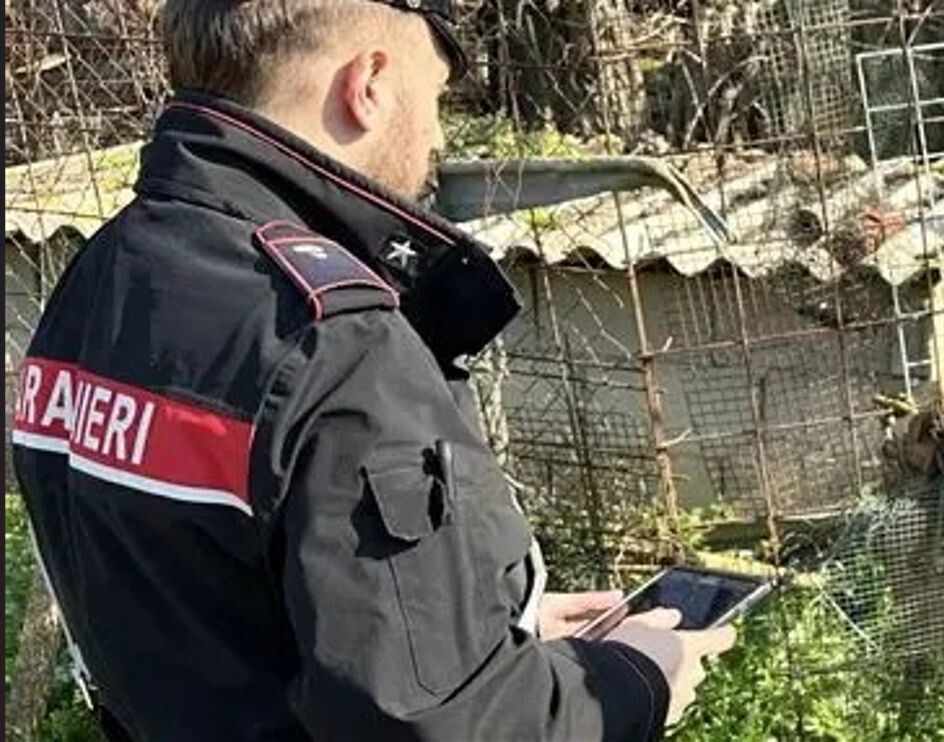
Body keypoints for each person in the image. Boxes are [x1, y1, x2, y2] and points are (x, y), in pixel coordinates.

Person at [9, 1, 735, 739]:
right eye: (438, 97)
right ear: (372, 82)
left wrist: (480, 628)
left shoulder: (105, 272)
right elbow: (438, 726)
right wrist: (638, 679)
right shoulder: (336, 338)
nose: (439, 136)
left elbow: (216, 608)